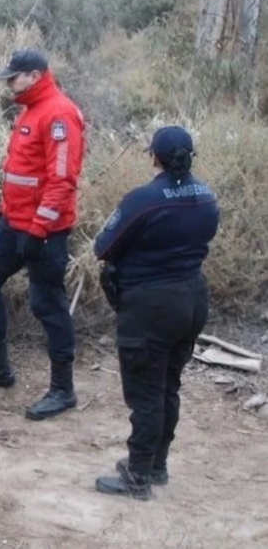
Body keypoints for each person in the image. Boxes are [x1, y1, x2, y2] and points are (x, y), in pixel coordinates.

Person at [0, 48, 86, 422]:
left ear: (34, 75)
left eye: (14, 77)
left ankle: (63, 390)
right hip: (13, 224)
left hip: (44, 232)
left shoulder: (58, 113)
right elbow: (20, 174)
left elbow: (62, 182)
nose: (9, 84)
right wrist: (3, 215)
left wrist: (39, 229)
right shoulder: (31, 110)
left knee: (48, 305)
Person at [91, 125, 219, 500]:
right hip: (192, 300)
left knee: (146, 394)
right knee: (167, 387)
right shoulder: (207, 197)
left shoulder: (143, 200)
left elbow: (103, 246)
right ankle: (155, 466)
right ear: (191, 157)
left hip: (151, 305)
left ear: (154, 158)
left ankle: (137, 478)